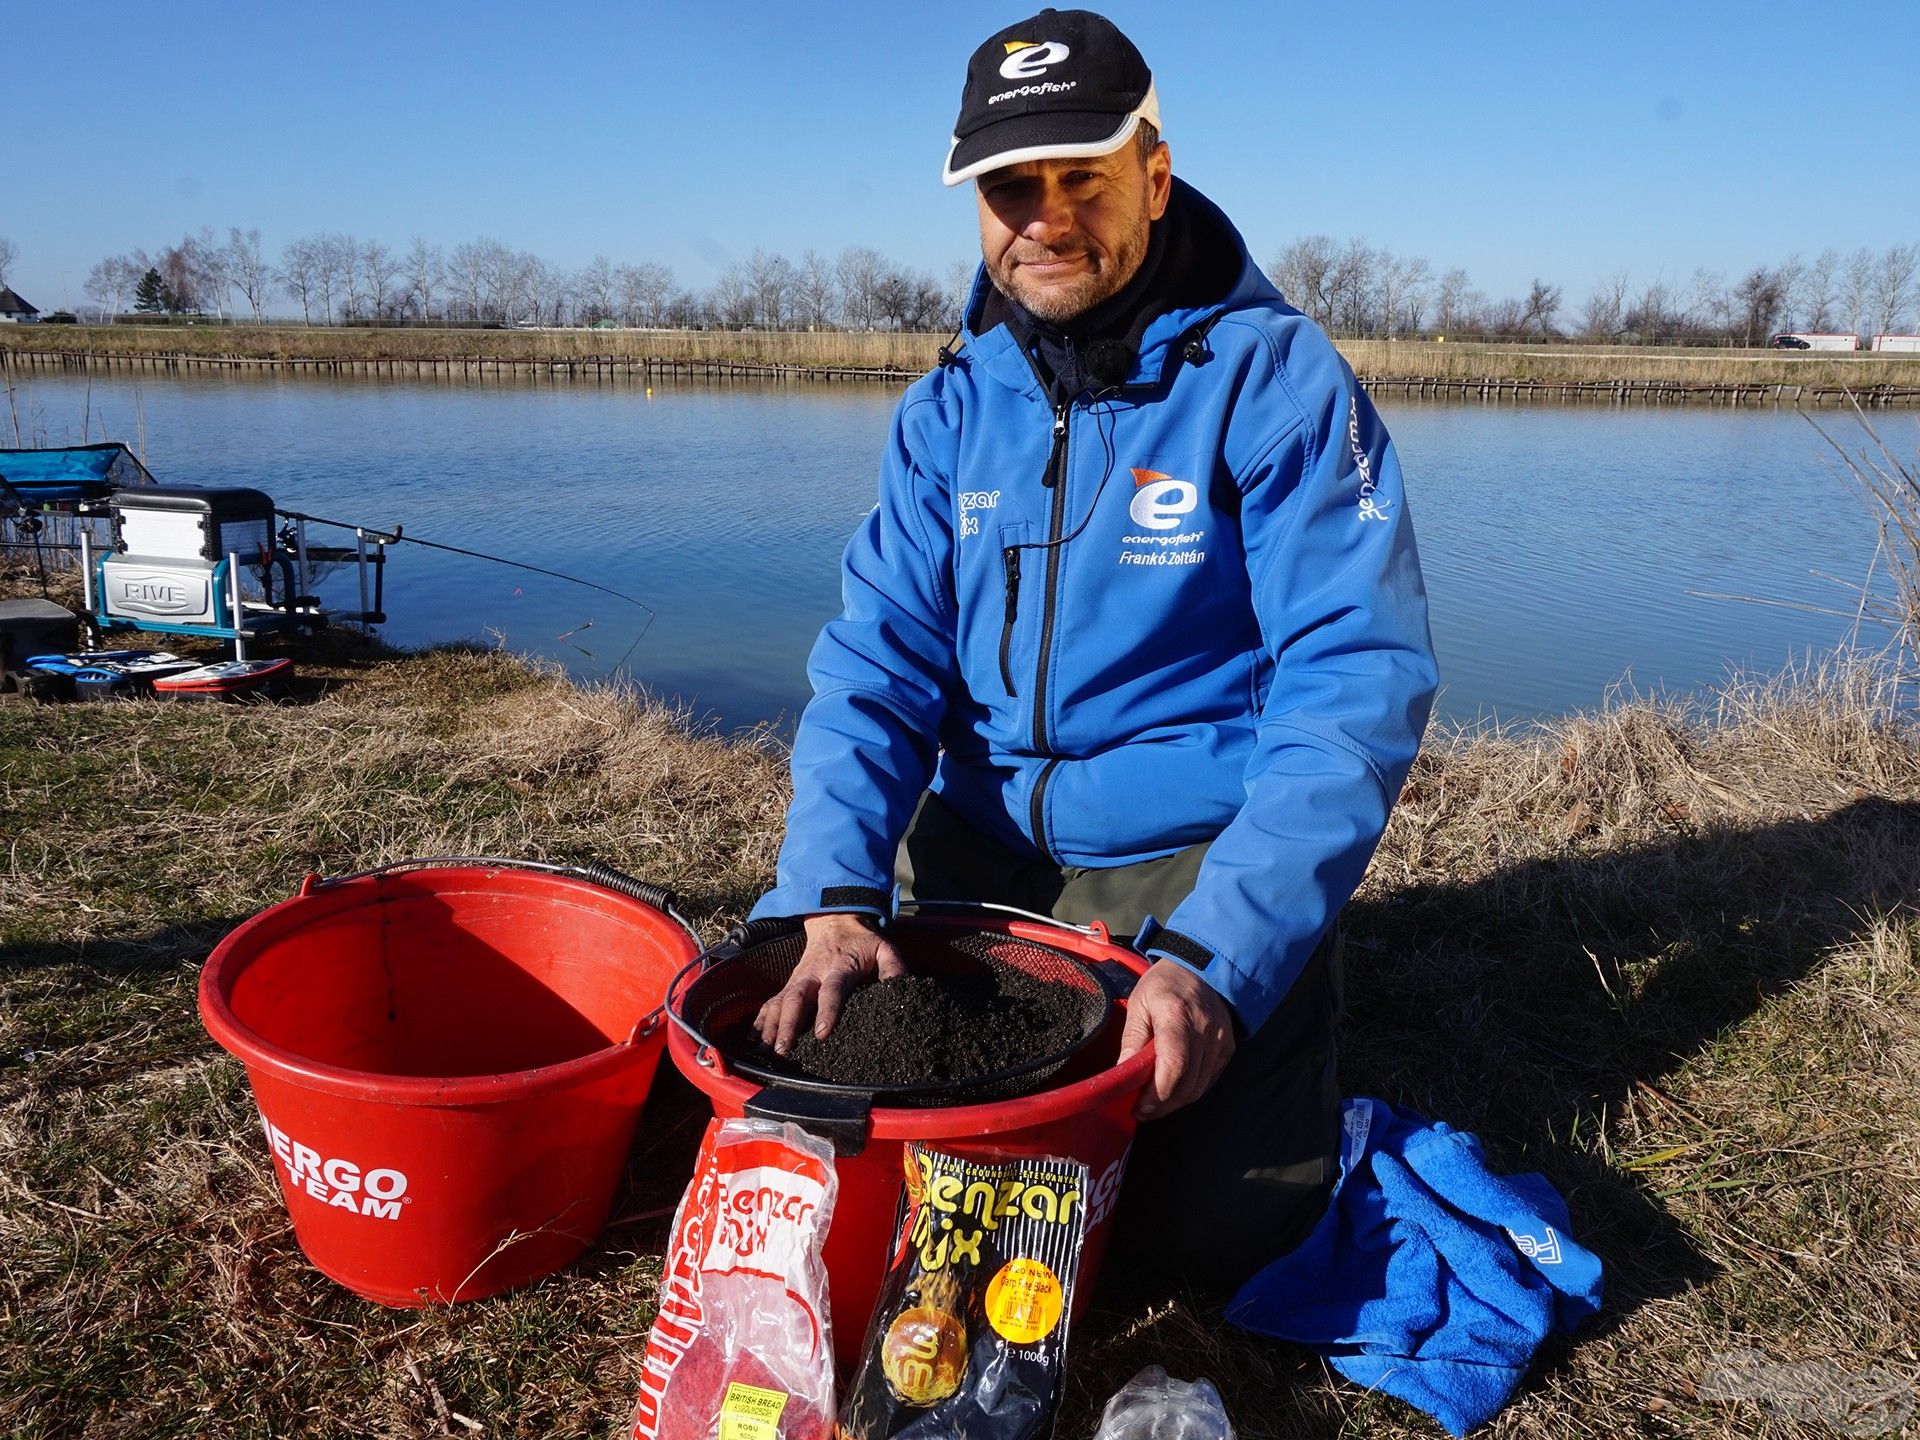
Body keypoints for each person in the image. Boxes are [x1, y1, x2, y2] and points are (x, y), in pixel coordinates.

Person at [750, 7, 1437, 1288]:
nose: (1047, 216)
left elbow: (1354, 684)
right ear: (974, 203)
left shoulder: (1278, 383)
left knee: (1195, 1242)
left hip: (1186, 856)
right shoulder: (944, 411)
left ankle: (1261, 1016)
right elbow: (876, 668)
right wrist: (833, 897)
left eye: (1086, 178)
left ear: (1155, 175)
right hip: (982, 853)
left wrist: (1216, 960)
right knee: (890, 1193)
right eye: (1013, 185)